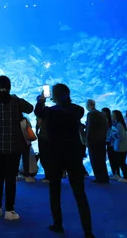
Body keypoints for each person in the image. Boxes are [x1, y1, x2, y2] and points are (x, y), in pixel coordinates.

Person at [35, 84, 94, 238]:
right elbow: (72, 110)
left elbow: (38, 111)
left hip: (55, 155)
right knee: (80, 193)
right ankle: (87, 230)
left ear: (54, 96)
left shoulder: (50, 112)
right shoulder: (77, 110)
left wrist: (41, 100)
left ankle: (58, 224)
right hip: (73, 155)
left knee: (55, 191)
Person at [0, 75, 33, 221]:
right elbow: (30, 108)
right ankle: (10, 210)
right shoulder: (15, 102)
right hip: (13, 147)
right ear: (10, 86)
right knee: (11, 179)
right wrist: (17, 97)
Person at [85, 99, 109, 184]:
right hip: (102, 140)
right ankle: (105, 177)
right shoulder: (101, 114)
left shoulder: (91, 114)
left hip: (93, 141)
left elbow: (89, 128)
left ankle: (99, 178)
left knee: (95, 160)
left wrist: (87, 140)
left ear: (88, 105)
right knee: (101, 160)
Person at [109, 110, 127, 182]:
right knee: (120, 162)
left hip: (122, 147)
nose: (111, 116)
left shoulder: (119, 124)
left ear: (116, 116)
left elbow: (121, 136)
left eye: (113, 114)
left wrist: (113, 134)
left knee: (121, 162)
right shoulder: (118, 124)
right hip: (121, 146)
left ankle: (126, 177)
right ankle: (122, 176)